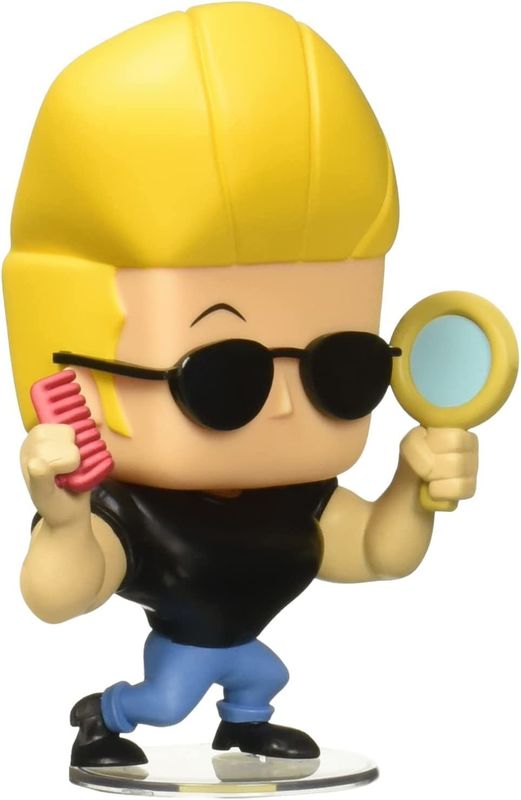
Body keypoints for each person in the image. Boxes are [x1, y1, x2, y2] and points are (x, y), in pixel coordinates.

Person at [2, 3, 478, 768]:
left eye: (340, 366)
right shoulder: (136, 512)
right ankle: (104, 715)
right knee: (167, 703)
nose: (286, 402)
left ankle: (244, 726)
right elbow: (59, 597)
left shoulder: (302, 495)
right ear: (77, 363)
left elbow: (375, 553)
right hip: (184, 649)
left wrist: (411, 488)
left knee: (264, 675)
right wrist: (62, 521)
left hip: (241, 644)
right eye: (227, 377)